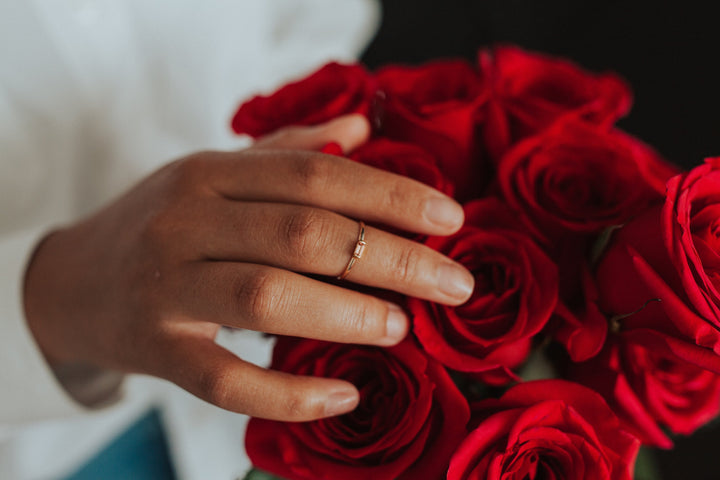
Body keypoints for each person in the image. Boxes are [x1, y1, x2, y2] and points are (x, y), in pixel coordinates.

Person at [0, 1, 476, 478]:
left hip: (284, 366)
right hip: (54, 441)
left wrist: (307, 157)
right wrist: (55, 297)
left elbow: (322, 19)